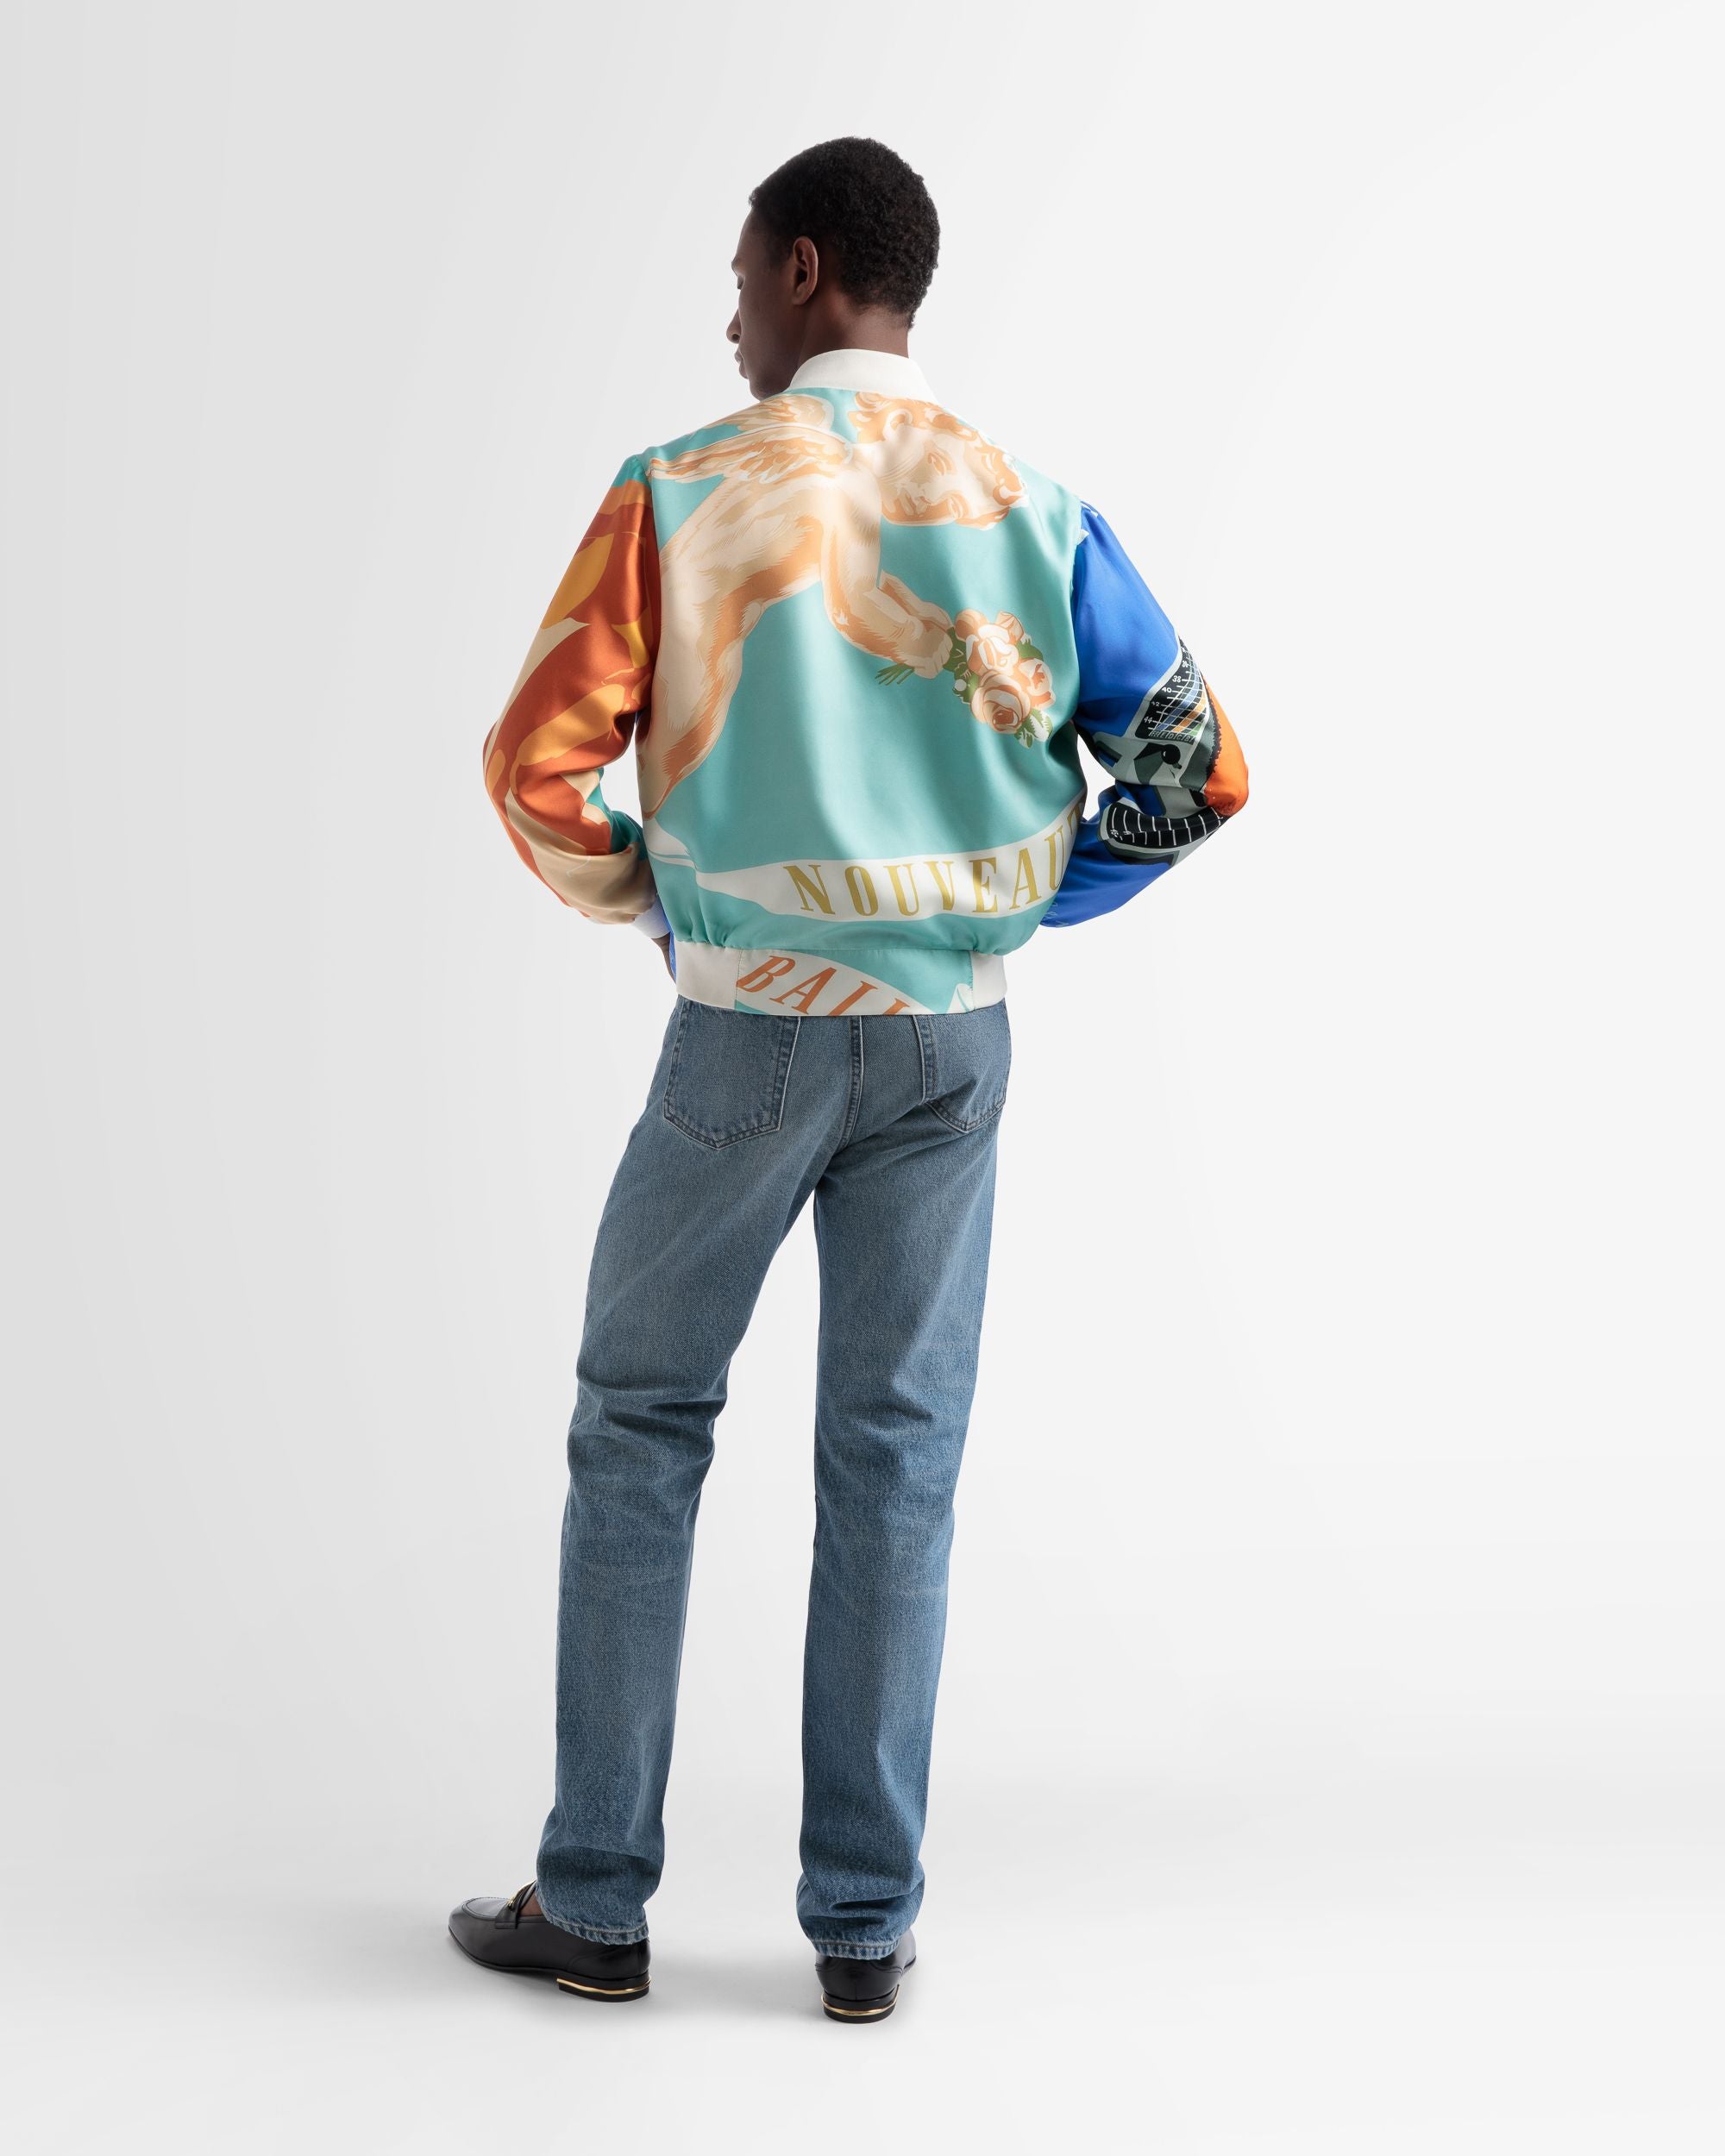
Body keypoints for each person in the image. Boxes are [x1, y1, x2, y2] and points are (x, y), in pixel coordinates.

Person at [450, 135, 1251, 2025]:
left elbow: (534, 766)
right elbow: (1199, 769)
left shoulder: (682, 487)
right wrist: (1011, 900)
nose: (730, 315)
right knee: (896, 1463)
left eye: (741, 275)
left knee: (641, 1424)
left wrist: (669, 907)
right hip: (953, 1042)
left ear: (805, 268)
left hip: (748, 1024)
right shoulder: (1032, 507)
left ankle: (597, 1903)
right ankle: (863, 1931)